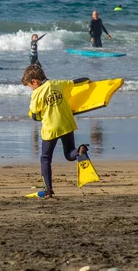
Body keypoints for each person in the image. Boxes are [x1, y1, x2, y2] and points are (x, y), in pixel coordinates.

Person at [22, 65, 88, 198]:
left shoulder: (37, 93)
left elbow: (35, 115)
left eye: (30, 85)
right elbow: (77, 82)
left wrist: (37, 115)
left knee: (45, 158)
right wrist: (89, 82)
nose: (31, 88)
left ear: (35, 81)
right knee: (69, 154)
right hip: (66, 124)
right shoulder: (59, 83)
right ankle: (79, 151)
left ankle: (48, 190)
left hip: (51, 129)